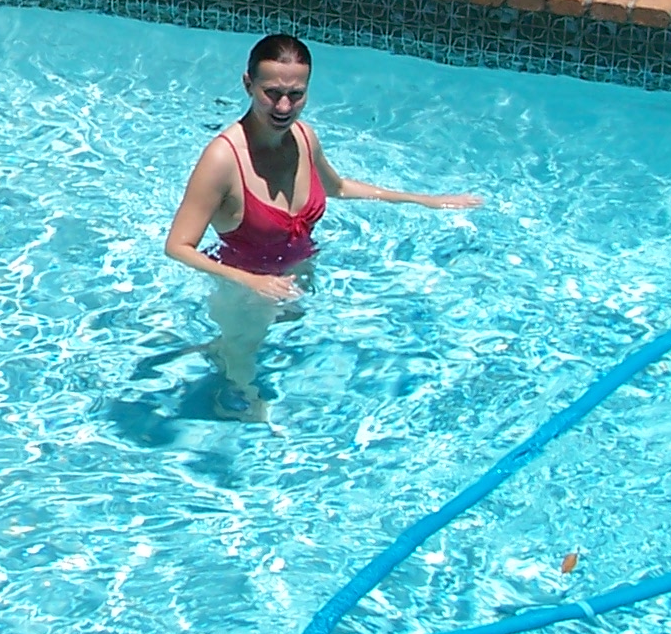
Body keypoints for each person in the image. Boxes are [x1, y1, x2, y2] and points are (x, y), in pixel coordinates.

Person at [165, 33, 479, 416]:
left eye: (295, 95)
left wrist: (425, 201)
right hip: (245, 291)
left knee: (282, 335)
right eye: (272, 93)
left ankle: (217, 354)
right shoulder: (222, 159)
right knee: (242, 366)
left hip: (296, 274)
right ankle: (249, 420)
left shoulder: (303, 137)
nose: (284, 106)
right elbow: (178, 246)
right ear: (248, 84)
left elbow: (339, 187)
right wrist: (252, 282)